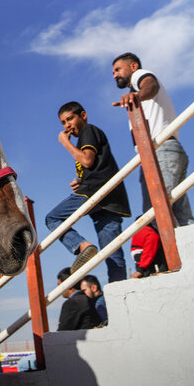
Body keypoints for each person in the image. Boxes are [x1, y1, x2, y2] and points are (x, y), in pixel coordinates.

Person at [45, 101, 131, 282]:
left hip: (96, 192)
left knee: (52, 218)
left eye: (70, 119)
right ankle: (121, 289)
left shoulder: (88, 130)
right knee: (112, 254)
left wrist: (65, 143)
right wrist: (80, 180)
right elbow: (94, 165)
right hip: (110, 199)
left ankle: (82, 246)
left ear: (83, 116)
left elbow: (87, 161)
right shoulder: (87, 136)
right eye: (63, 122)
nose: (67, 125)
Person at [112, 52, 194, 226]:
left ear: (133, 66)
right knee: (180, 213)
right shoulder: (134, 89)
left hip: (161, 150)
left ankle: (171, 254)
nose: (115, 75)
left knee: (157, 211)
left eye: (118, 70)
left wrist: (137, 95)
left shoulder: (139, 77)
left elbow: (151, 85)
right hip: (162, 151)